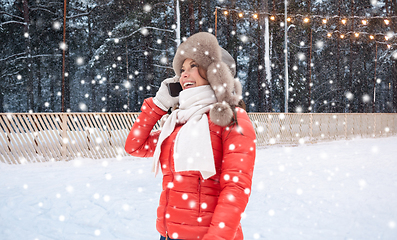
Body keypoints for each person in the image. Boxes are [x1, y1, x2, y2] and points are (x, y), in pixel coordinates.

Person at [125, 32, 256, 240]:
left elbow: (236, 187)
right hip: (167, 234)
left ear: (216, 73)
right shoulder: (178, 123)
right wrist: (158, 105)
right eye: (182, 69)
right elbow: (135, 146)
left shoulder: (232, 119)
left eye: (193, 66)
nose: (184, 74)